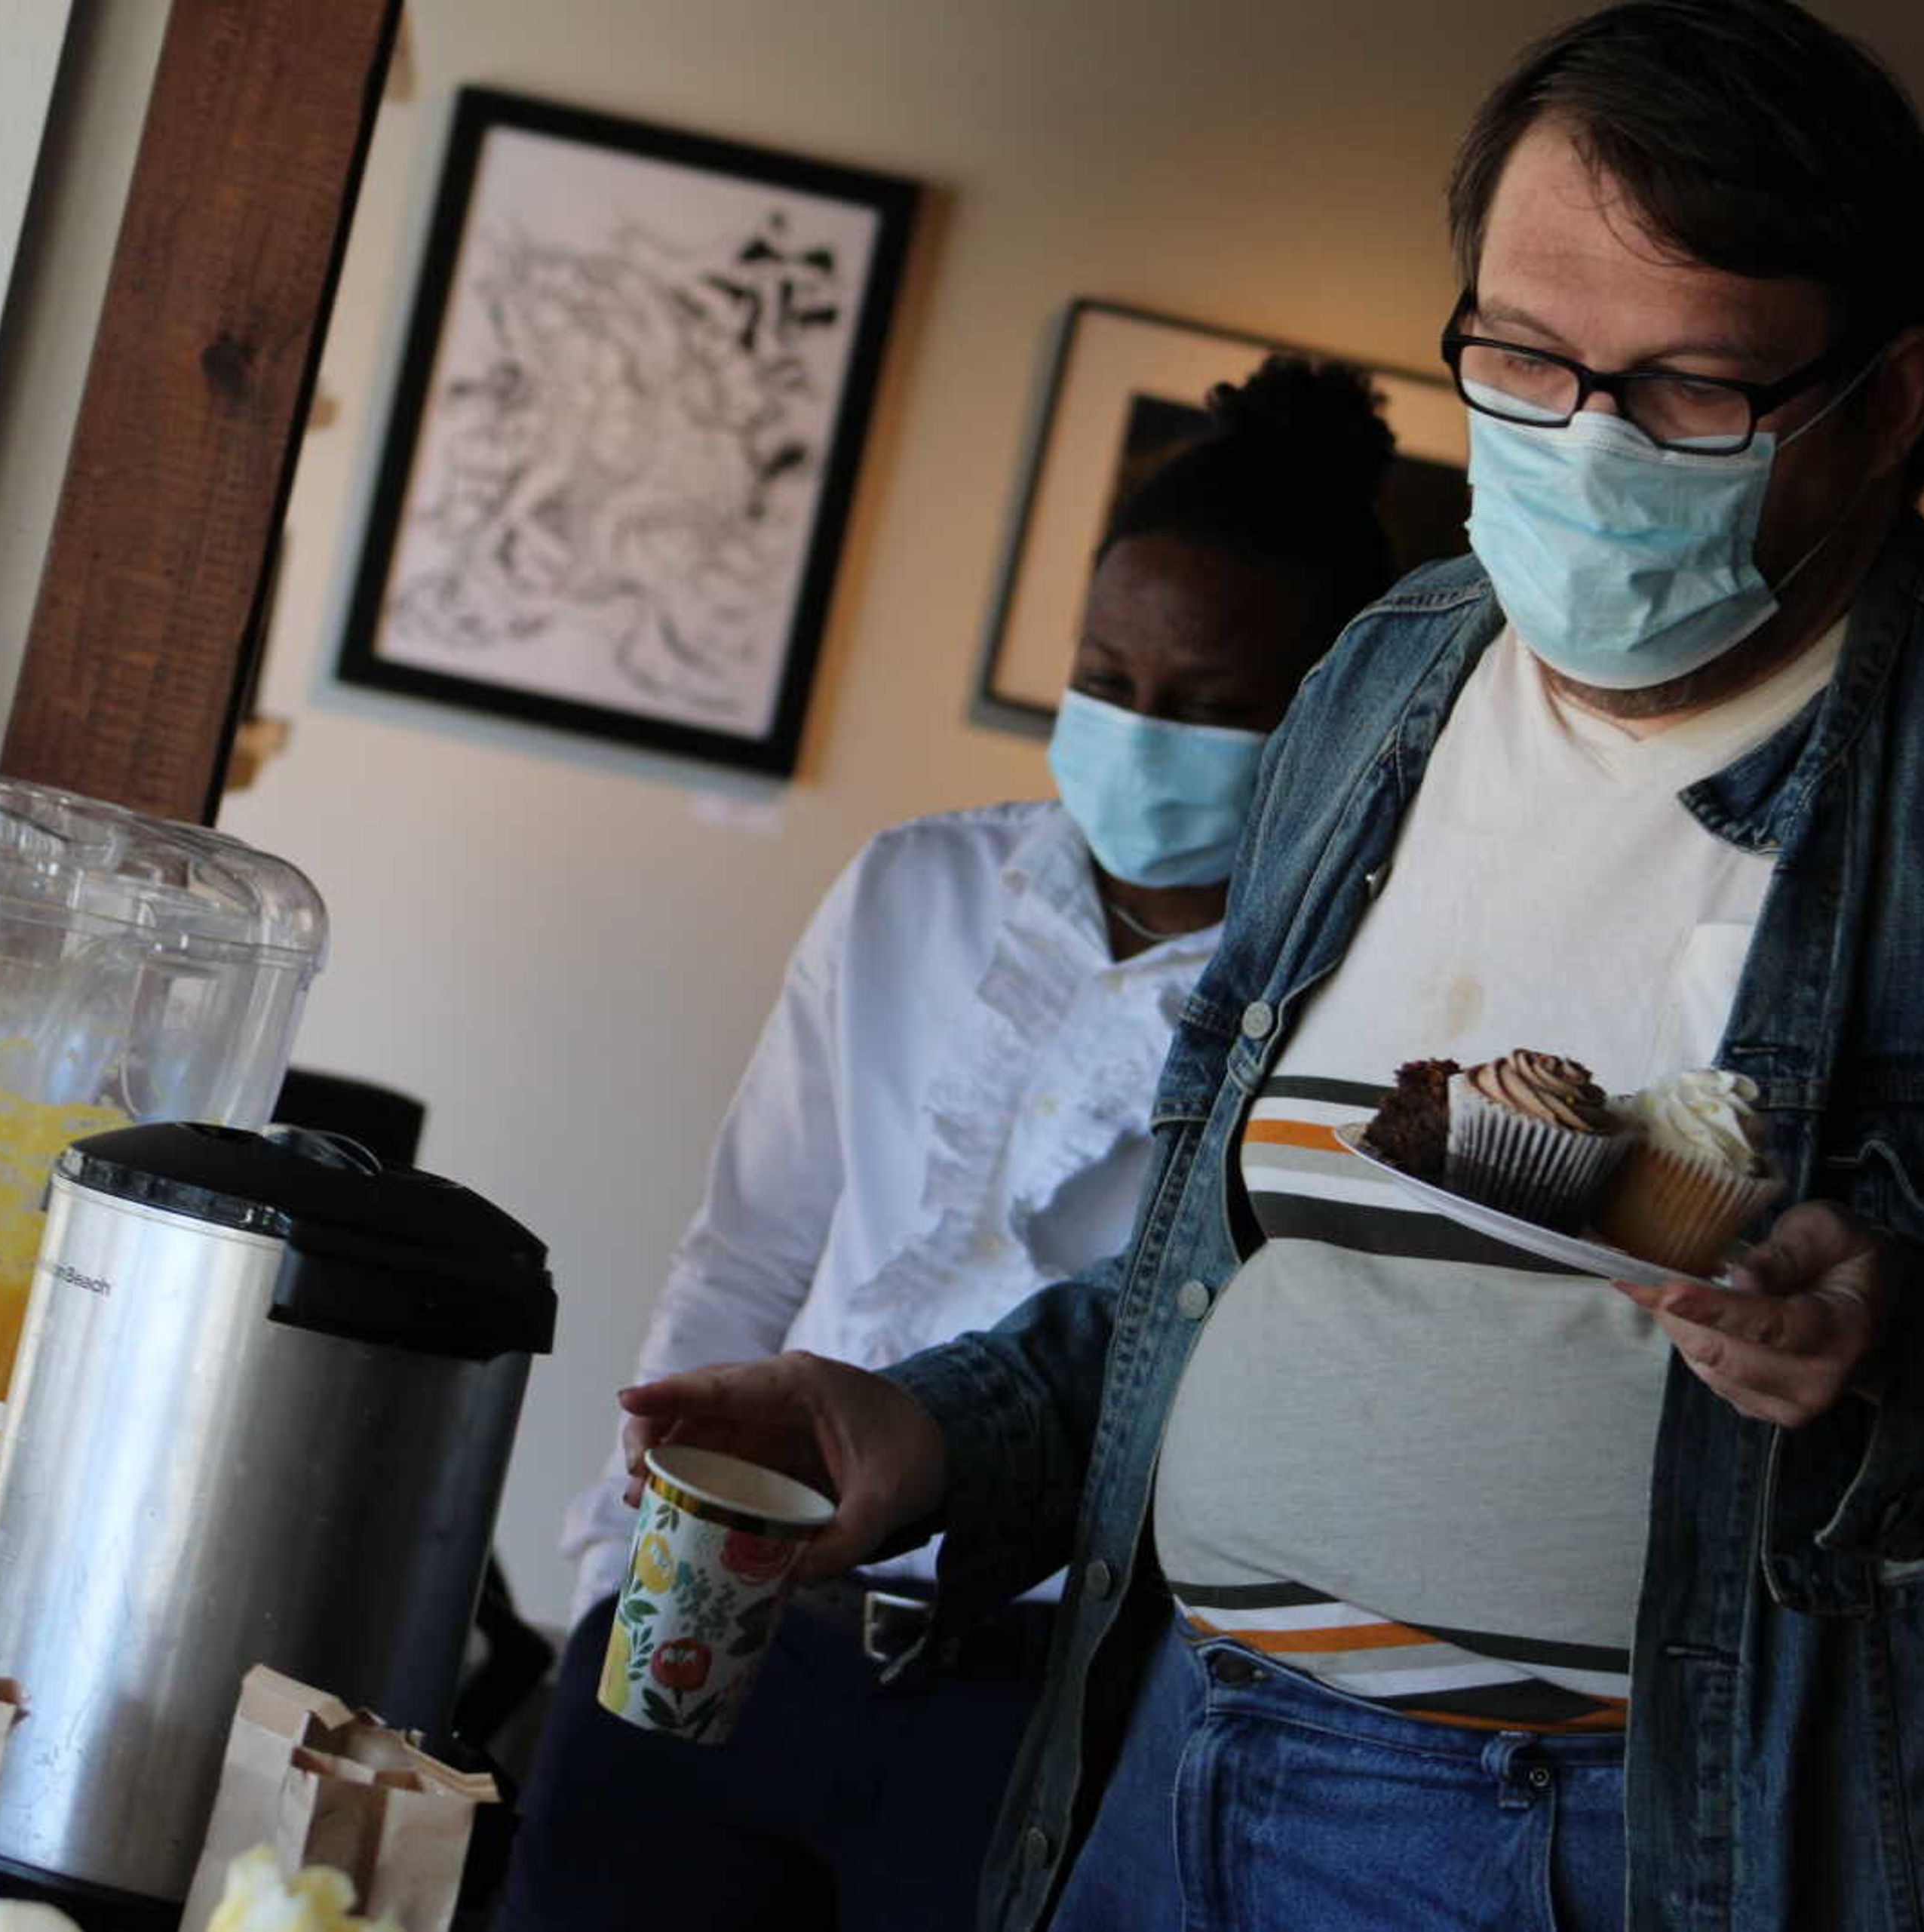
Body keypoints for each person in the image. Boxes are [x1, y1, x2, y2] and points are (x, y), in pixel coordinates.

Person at [618, 5, 1924, 1928]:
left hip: (1638, 1847)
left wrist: (1923, 1351)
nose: (1583, 446)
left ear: (1894, 399)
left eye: (1686, 393)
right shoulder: (1392, 674)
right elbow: (1241, 1270)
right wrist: (932, 1427)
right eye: (1522, 355)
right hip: (1167, 1763)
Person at [496, 359, 1402, 1932]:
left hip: (1047, 1716)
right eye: (1106, 679)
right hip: (733, 1614)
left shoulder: (1341, 1012)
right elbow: (756, 1245)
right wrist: (612, 1573)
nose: (1138, 732)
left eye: (1205, 707)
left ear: (1326, 717)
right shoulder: (918, 891)